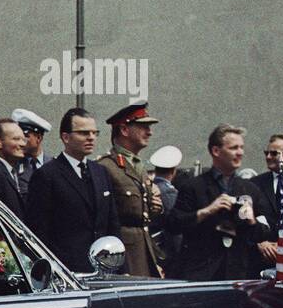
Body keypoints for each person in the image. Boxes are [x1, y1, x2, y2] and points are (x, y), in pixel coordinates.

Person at [162, 125, 266, 280]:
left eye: (242, 147)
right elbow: (173, 225)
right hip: (200, 272)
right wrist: (206, 211)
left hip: (238, 274)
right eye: (234, 148)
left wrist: (251, 221)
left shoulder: (250, 189)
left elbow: (264, 233)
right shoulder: (194, 186)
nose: (241, 152)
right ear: (216, 151)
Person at [24, 109, 121, 273]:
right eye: (83, 133)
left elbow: (112, 225)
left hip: (104, 268)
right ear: (66, 137)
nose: (91, 137)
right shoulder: (47, 175)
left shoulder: (100, 172)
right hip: (67, 271)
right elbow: (39, 230)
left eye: (94, 132)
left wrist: (119, 264)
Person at [96, 102, 164, 277]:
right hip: (125, 252)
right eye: (143, 127)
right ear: (124, 130)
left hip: (145, 248)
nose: (150, 132)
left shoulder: (138, 166)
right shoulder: (106, 166)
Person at [251, 133, 283, 269]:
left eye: (274, 153)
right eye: (266, 153)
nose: (268, 157)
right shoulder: (253, 184)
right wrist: (259, 242)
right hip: (261, 261)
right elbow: (245, 222)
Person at [148, 144, 184, 268]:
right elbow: (175, 225)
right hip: (167, 250)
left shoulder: (151, 188)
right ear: (174, 171)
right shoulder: (169, 192)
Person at [10, 108, 51, 201]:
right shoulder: (13, 165)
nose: (20, 142)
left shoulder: (54, 165)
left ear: (38, 138)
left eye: (25, 136)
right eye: (17, 137)